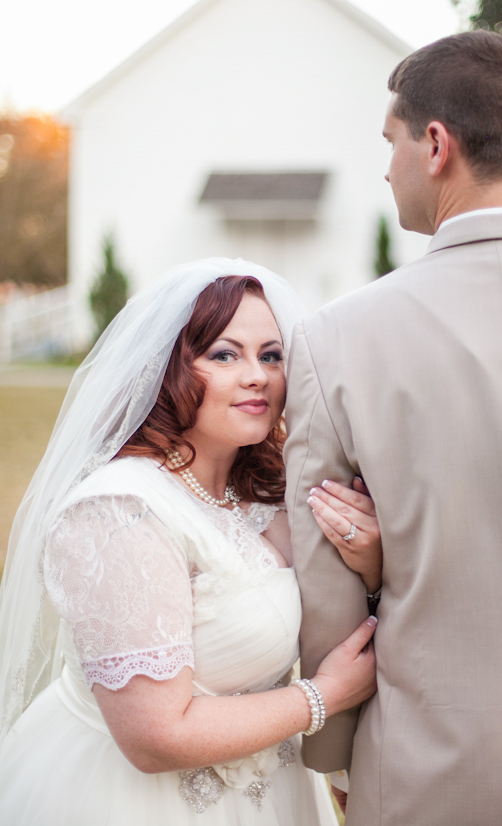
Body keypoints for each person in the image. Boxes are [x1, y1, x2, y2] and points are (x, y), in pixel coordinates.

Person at [284, 30, 502, 825]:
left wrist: (336, 755)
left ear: (435, 143)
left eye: (389, 140)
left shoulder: (336, 338)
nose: (384, 165)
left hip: (422, 768)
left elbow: (326, 591)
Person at [0, 259, 380, 825]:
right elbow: (155, 737)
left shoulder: (268, 497)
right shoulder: (120, 511)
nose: (257, 375)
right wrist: (322, 696)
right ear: (169, 369)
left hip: (270, 799)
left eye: (271, 355)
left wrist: (370, 563)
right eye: (225, 354)